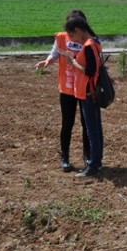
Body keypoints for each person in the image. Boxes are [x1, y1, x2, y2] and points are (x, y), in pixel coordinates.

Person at [34, 10, 90, 173]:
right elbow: (54, 55)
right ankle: (64, 157)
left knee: (86, 124)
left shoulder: (87, 38)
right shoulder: (61, 38)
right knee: (67, 123)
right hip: (67, 88)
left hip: (83, 86)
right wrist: (46, 61)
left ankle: (87, 157)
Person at [63, 17, 104, 178]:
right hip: (92, 91)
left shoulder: (88, 46)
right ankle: (97, 163)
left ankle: (93, 166)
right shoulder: (96, 42)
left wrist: (73, 63)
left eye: (72, 35)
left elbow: (89, 71)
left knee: (92, 131)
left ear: (78, 31)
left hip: (88, 92)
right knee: (96, 130)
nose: (72, 39)